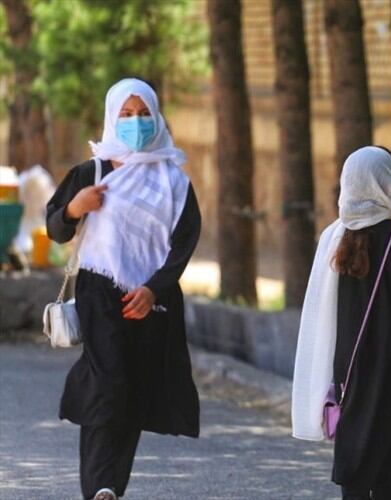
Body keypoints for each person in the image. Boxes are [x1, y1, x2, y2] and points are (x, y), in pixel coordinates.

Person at [46, 78, 201, 500]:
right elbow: (54, 226)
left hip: (150, 301)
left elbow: (184, 242)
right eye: (126, 115)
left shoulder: (173, 180)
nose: (135, 122)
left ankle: (111, 486)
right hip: (100, 294)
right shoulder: (90, 172)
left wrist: (154, 289)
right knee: (107, 384)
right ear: (112, 117)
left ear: (157, 116)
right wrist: (76, 208)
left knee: (133, 389)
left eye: (143, 113)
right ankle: (99, 485)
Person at [291, 146, 391, 500]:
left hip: (349, 375)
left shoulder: (334, 240)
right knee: (389, 478)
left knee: (356, 476)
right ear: (388, 184)